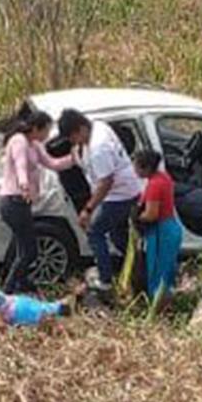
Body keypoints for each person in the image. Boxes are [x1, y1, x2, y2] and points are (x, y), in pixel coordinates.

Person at [57, 108, 142, 292]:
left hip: (120, 195)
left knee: (95, 232)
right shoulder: (98, 126)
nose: (72, 142)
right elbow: (78, 155)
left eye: (72, 137)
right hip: (124, 190)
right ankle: (139, 266)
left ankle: (105, 280)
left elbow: (106, 183)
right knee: (119, 236)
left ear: (80, 129)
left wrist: (88, 210)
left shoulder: (98, 148)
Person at [0, 110, 78, 293]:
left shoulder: (35, 144)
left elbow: (53, 164)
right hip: (13, 200)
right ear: (35, 128)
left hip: (23, 202)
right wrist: (24, 186)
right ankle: (8, 290)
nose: (47, 135)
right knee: (29, 250)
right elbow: (20, 167)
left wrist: (74, 158)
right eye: (46, 131)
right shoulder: (19, 141)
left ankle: (22, 282)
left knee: (23, 247)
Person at [133, 148, 182, 307]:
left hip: (161, 231)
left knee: (157, 273)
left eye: (136, 166)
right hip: (170, 227)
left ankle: (159, 307)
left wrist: (136, 218)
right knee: (167, 270)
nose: (134, 170)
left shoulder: (154, 185)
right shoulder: (163, 178)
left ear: (146, 168)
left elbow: (152, 214)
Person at [0, 282, 76, 333]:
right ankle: (64, 305)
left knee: (43, 320)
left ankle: (66, 327)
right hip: (19, 301)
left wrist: (12, 332)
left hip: (18, 312)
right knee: (46, 308)